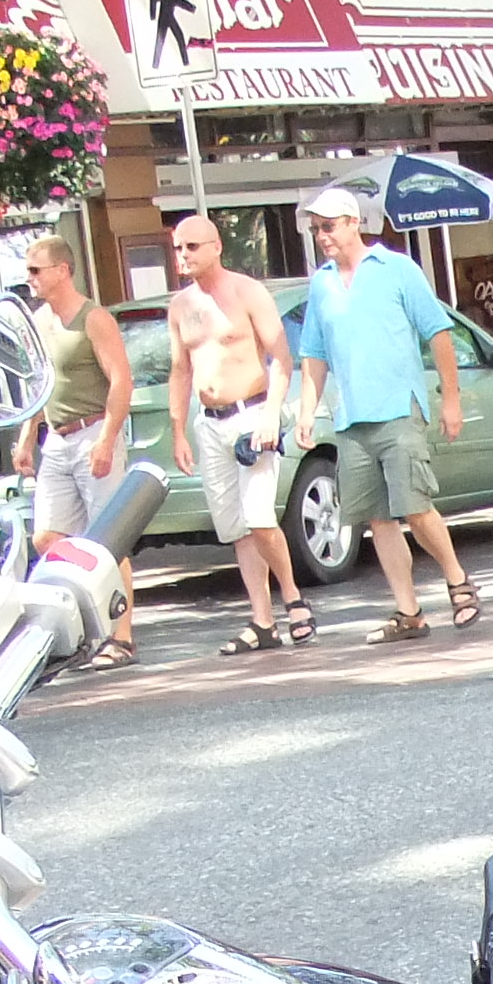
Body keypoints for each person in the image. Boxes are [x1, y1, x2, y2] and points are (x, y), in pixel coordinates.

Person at [293, 184, 479, 642]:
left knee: (415, 507)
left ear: (354, 223)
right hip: (351, 418)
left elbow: (438, 332)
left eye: (329, 226)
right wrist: (306, 411)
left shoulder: (397, 269)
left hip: (399, 408)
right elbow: (314, 353)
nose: (322, 236)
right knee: (377, 519)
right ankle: (408, 611)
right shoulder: (322, 283)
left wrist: (450, 400)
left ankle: (458, 581)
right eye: (316, 229)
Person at [166, 209, 308, 655]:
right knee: (236, 529)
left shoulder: (247, 291)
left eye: (192, 246)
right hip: (210, 422)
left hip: (252, 415)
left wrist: (271, 414)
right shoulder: (180, 306)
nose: (183, 255)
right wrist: (178, 430)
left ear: (216, 247)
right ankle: (262, 620)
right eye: (178, 248)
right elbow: (179, 370)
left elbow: (281, 358)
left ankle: (293, 597)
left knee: (260, 517)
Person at [19, 233, 136, 665]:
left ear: (62, 270)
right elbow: (37, 385)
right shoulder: (38, 322)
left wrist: (107, 439)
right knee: (47, 536)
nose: (30, 279)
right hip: (57, 437)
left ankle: (122, 636)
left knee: (109, 540)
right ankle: (85, 623)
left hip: (93, 430)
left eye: (36, 270)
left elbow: (121, 380)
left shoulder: (93, 318)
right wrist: (27, 436)